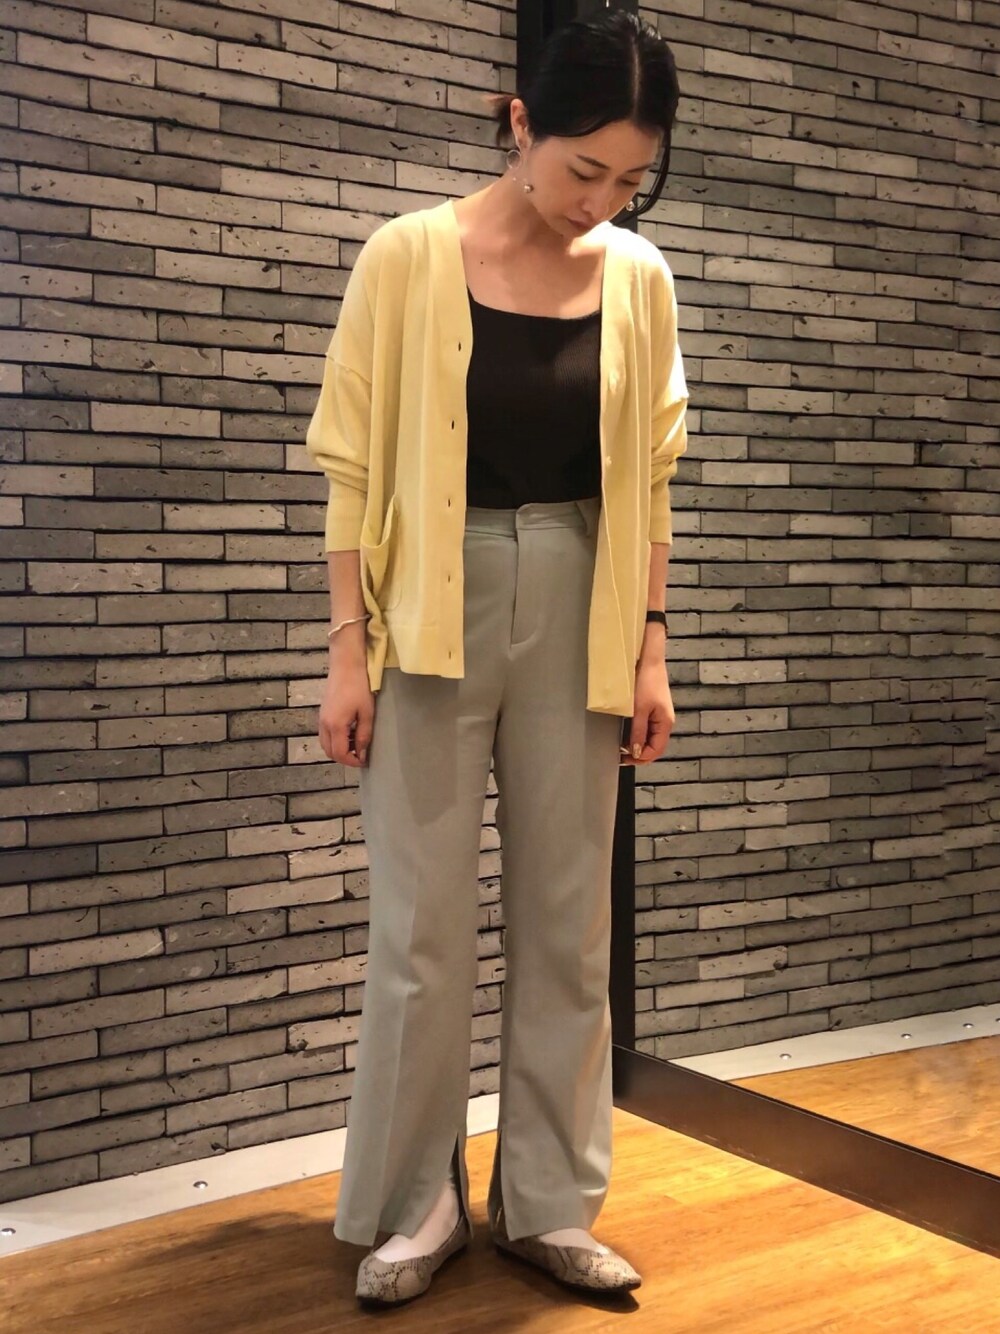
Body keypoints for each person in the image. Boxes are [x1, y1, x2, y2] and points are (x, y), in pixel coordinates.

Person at [305, 9, 687, 1309]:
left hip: (584, 597)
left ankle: (547, 1202)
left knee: (570, 922)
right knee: (420, 925)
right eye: (584, 167)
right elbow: (352, 467)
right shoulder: (407, 257)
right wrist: (346, 650)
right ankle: (418, 1202)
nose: (602, 199)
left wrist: (651, 646)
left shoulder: (639, 278)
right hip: (428, 597)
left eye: (630, 177)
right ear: (519, 123)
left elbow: (652, 481)